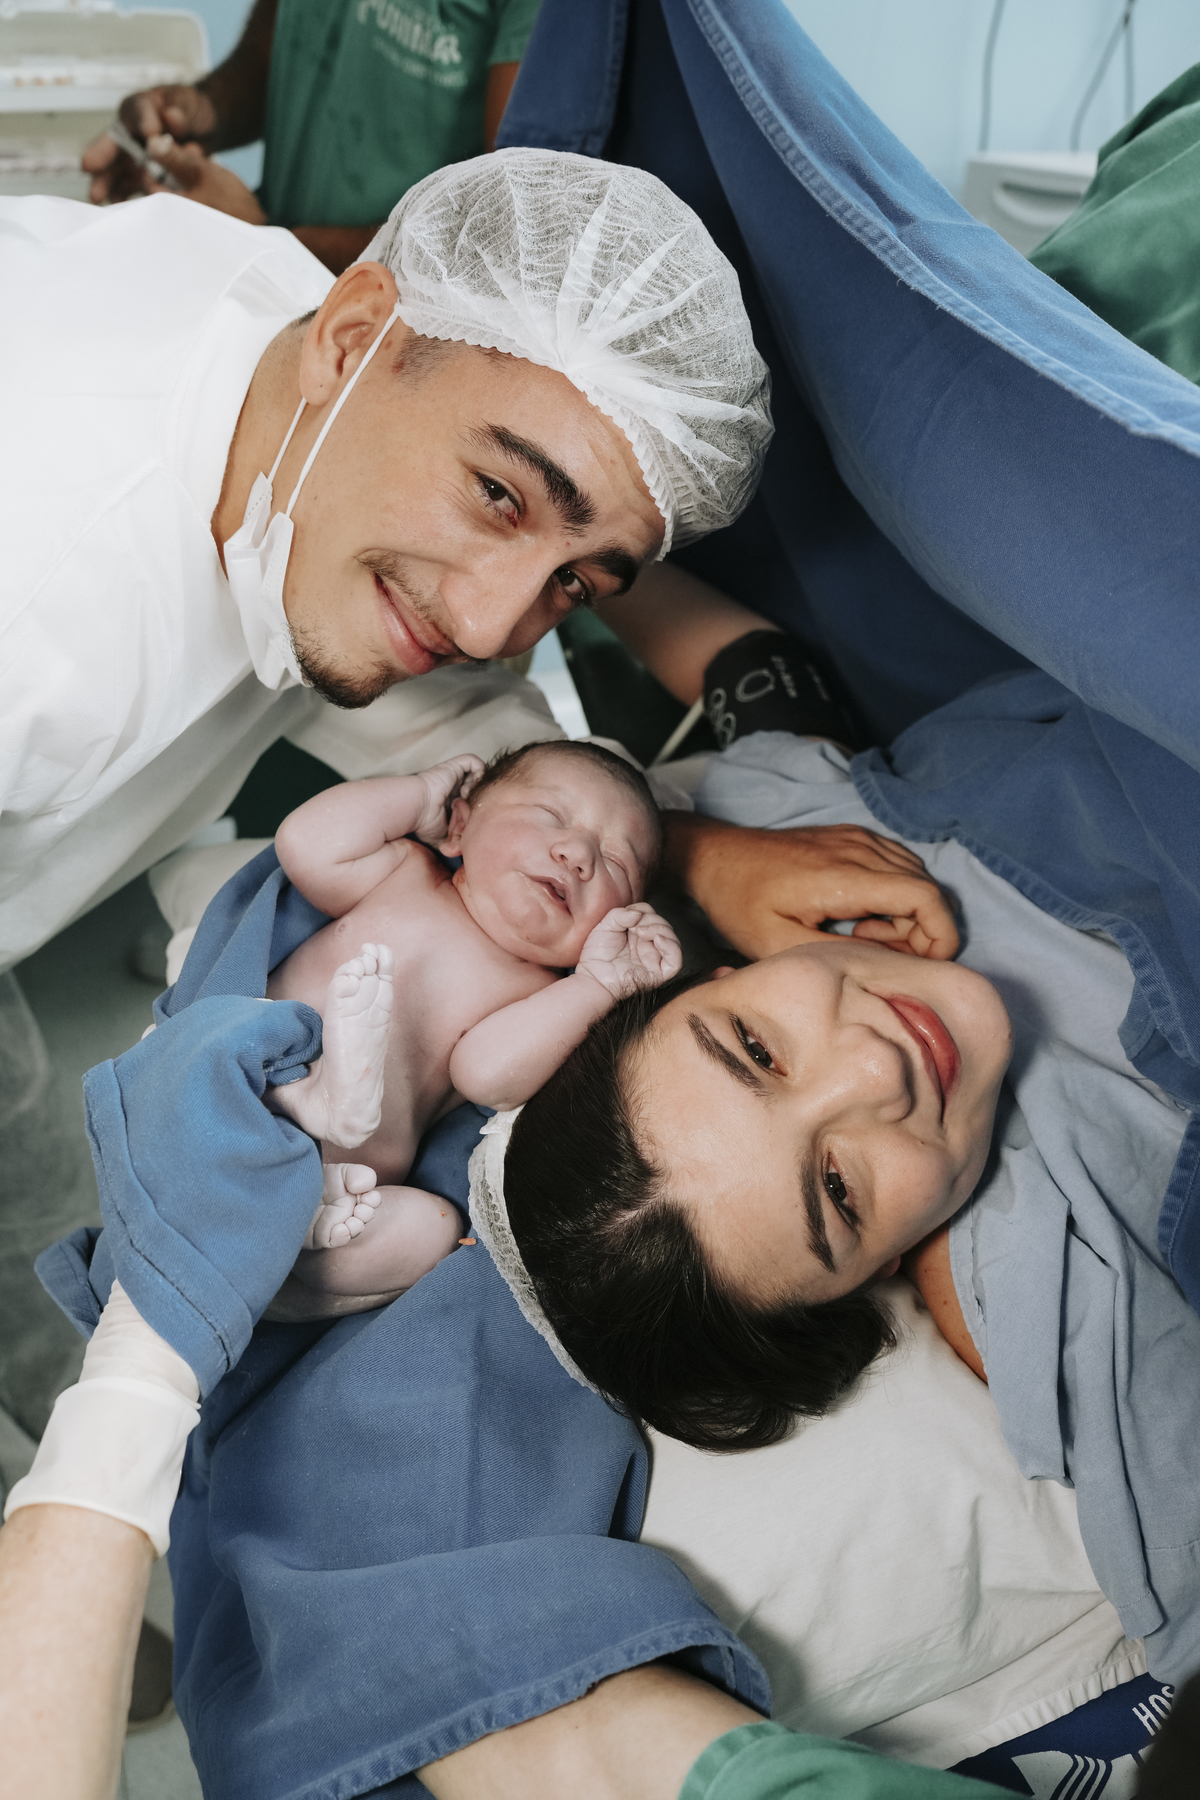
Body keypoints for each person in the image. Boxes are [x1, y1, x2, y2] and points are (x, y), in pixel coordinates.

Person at [232, 739, 680, 1308]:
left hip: (339, 1180)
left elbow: (486, 1075)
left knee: (433, 1229)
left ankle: (289, 1282)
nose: (578, 854)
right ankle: (270, 1245)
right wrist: (421, 796)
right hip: (247, 1086)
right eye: (551, 815)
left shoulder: (541, 994)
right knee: (201, 1054)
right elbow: (306, 843)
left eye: (617, 863)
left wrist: (599, 985)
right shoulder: (401, 872)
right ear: (461, 826)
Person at [81, 0, 544, 276]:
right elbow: (280, 48)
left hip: (389, 333)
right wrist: (196, 112)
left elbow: (500, 235)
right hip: (272, 281)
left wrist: (270, 236)